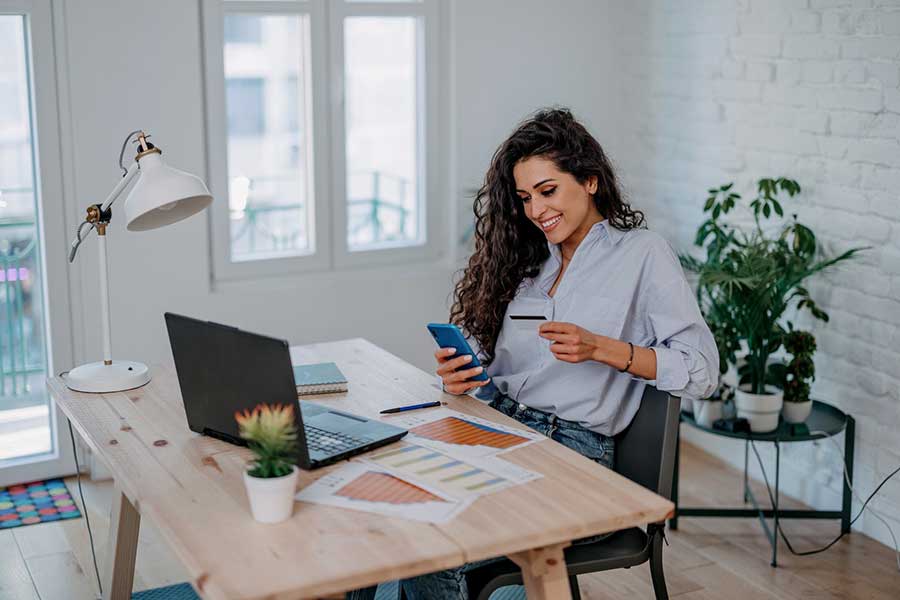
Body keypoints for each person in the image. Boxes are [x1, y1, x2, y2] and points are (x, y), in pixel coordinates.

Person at [347, 107, 718, 600]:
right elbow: (497, 364)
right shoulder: (526, 261)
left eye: (548, 191)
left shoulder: (642, 254)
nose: (536, 210)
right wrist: (464, 373)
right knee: (383, 508)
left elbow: (702, 372)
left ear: (589, 181)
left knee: (433, 542)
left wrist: (605, 349)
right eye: (525, 198)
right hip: (499, 426)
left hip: (575, 454)